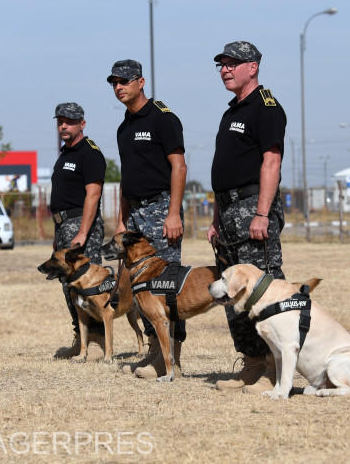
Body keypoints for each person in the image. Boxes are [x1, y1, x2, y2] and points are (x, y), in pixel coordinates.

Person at [206, 41, 287, 394]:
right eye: (221, 64)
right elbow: (222, 172)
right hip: (227, 213)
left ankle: (274, 368)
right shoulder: (231, 112)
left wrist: (262, 214)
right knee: (232, 292)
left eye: (232, 64)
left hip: (252, 209)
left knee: (262, 291)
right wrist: (215, 217)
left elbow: (271, 162)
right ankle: (251, 363)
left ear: (252, 67)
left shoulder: (265, 108)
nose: (225, 69)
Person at [108, 59, 187, 379]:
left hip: (161, 208)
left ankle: (173, 360)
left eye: (125, 81)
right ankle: (155, 352)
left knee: (166, 287)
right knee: (140, 288)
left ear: (141, 82)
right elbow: (127, 179)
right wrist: (121, 220)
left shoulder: (163, 119)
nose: (119, 87)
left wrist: (172, 214)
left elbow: (179, 168)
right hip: (136, 214)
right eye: (114, 82)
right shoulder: (124, 127)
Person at [49, 102, 107, 360]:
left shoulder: (89, 153)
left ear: (82, 124)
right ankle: (81, 339)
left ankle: (97, 342)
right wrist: (57, 234)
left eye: (69, 121)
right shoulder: (64, 154)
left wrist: (83, 232)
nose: (64, 125)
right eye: (60, 120)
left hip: (81, 225)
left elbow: (93, 195)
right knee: (69, 287)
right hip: (64, 226)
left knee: (90, 285)